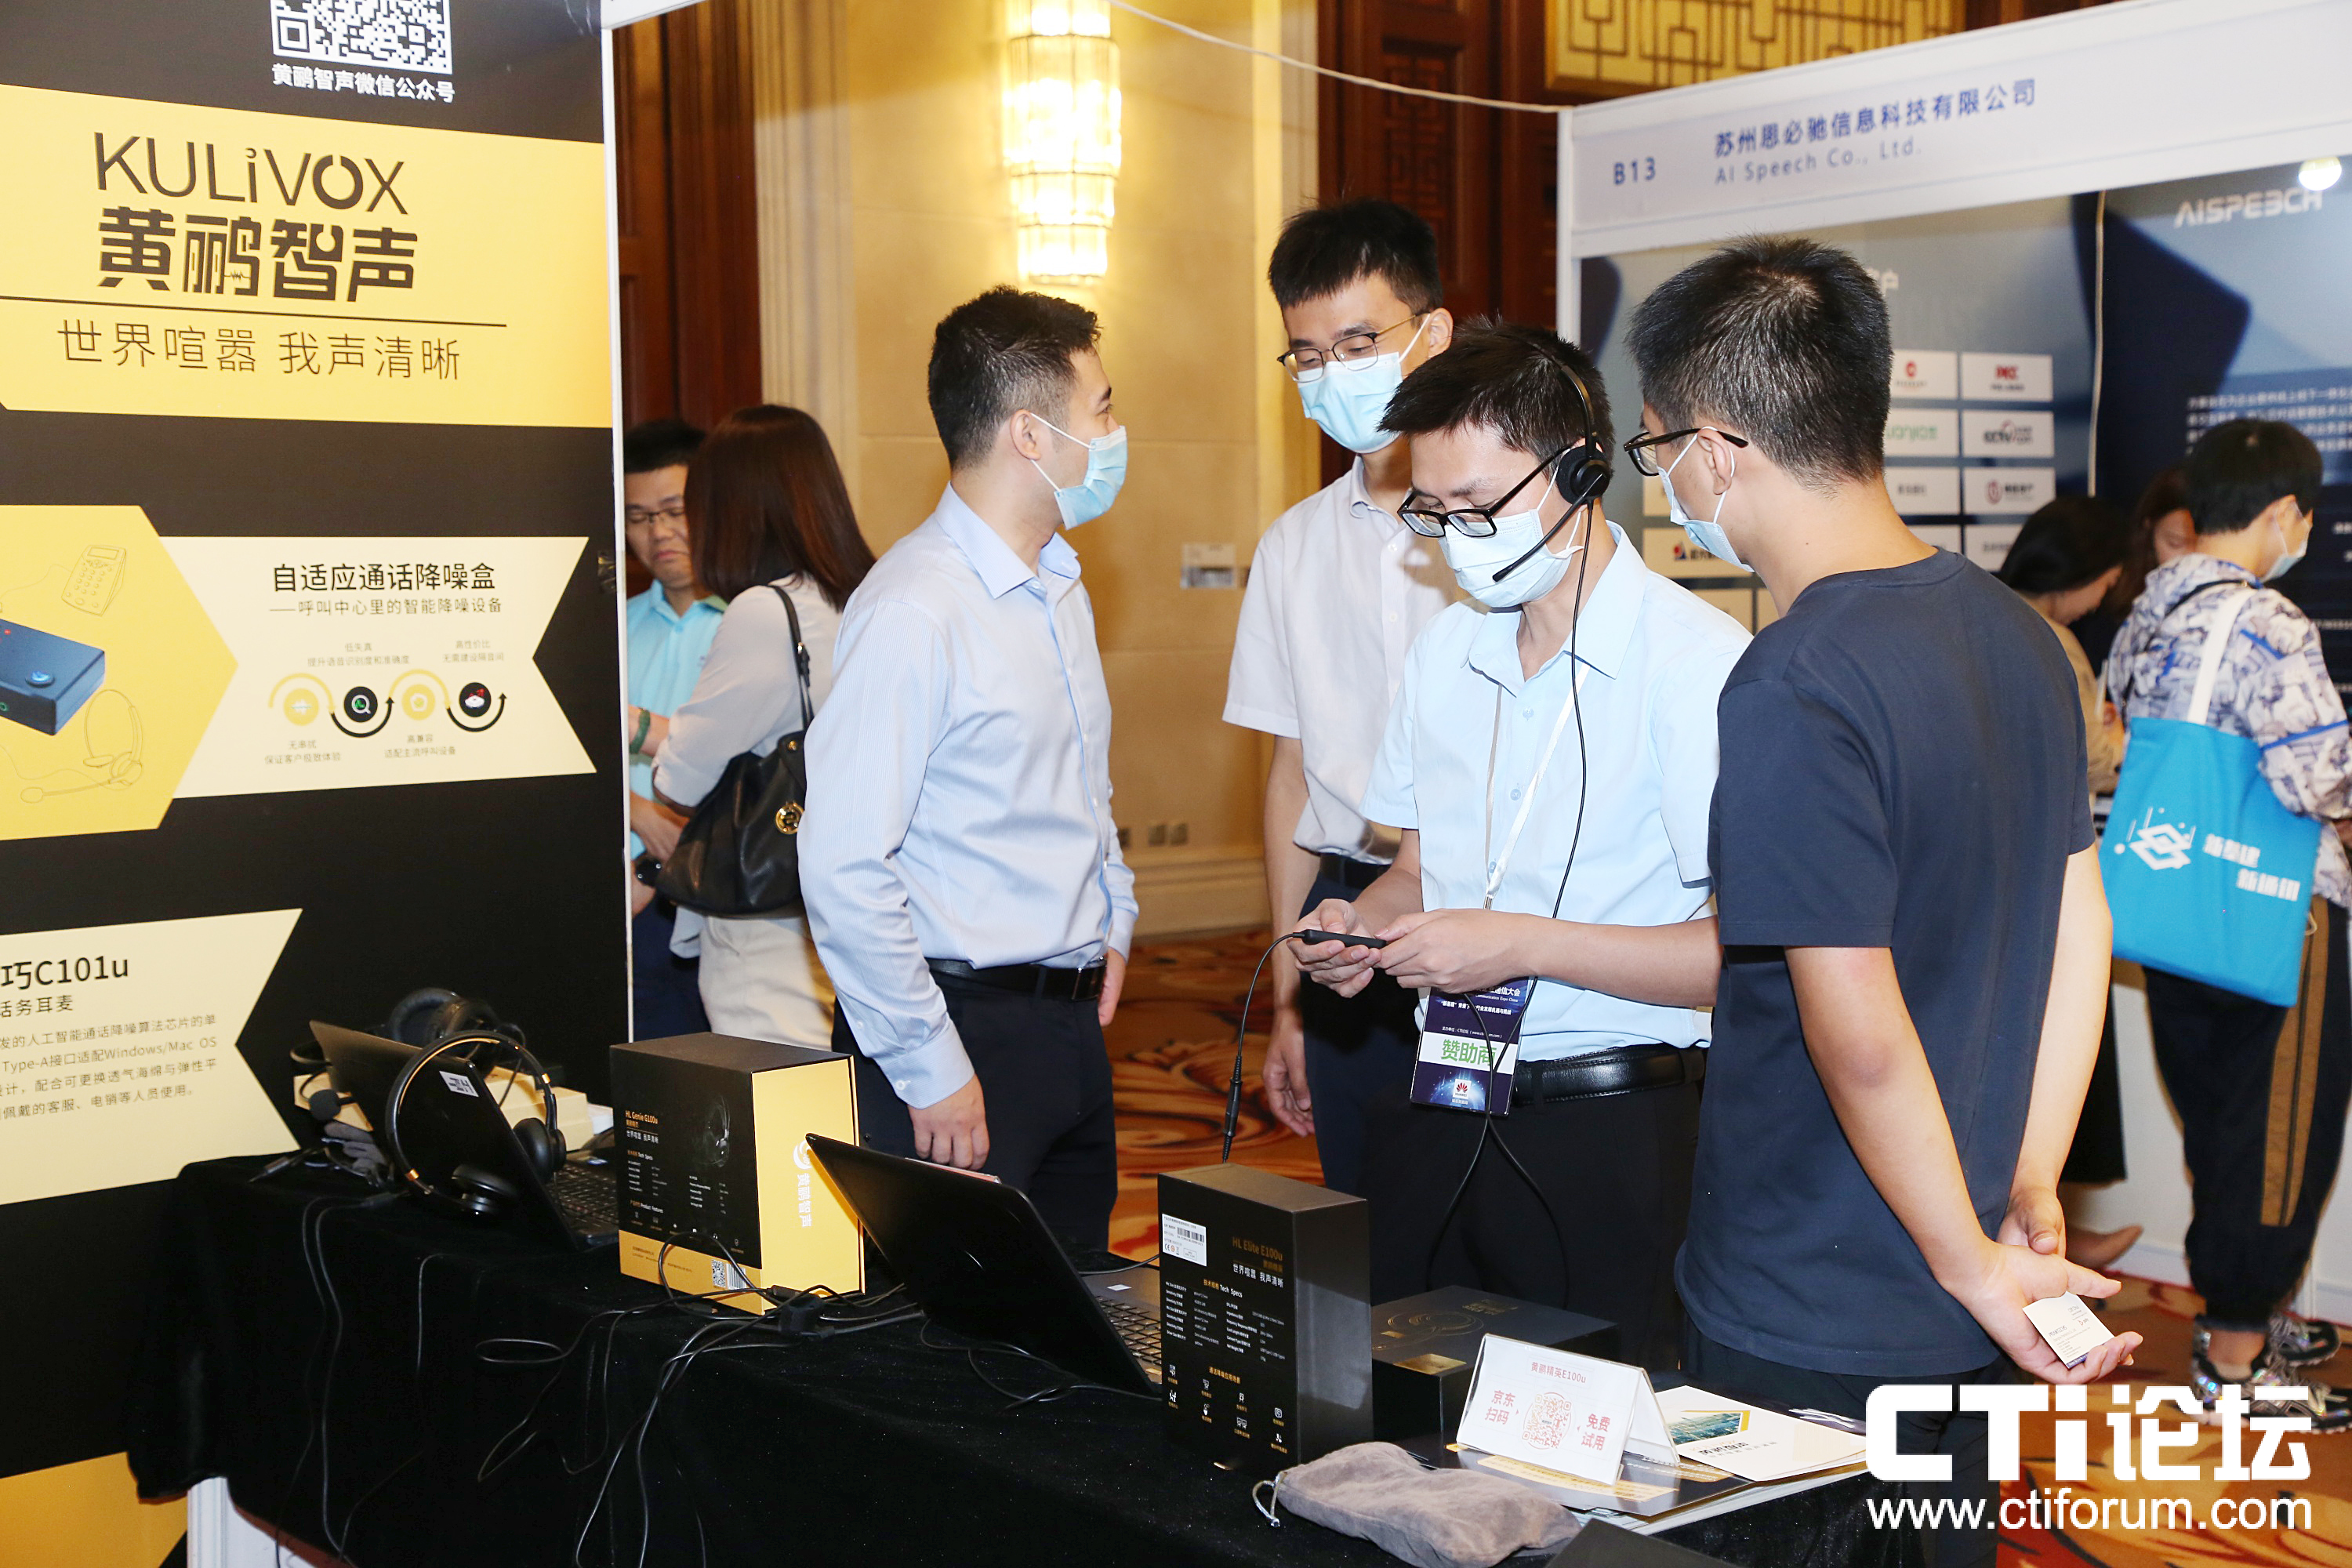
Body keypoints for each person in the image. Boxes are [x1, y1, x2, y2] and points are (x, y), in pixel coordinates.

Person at [1635, 237, 2136, 1566]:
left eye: (1658, 449)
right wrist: (2023, 1188)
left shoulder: (1794, 677)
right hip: (1968, 1270)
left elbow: (1854, 1026)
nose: (1665, 482)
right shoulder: (2023, 638)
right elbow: (2080, 926)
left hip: (1813, 1297)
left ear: (1718, 449)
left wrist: (1975, 1259)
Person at [1294, 322, 1744, 1367]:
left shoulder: (1697, 666)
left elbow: (1742, 956)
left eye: (1480, 505)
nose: (1457, 537)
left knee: (1601, 1430)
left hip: (1618, 1123)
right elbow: (1416, 871)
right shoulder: (1445, 649)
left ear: (1580, 472)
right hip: (1445, 1094)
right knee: (1410, 1405)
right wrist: (1364, 927)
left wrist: (1523, 945)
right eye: (1434, 512)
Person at [800, 287, 1138, 1250]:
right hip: (955, 1030)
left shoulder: (1058, 584)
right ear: (1031, 434)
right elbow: (843, 864)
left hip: (1067, 1028)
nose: (1115, 433)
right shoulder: (916, 606)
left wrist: (1112, 919)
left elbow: (1083, 787)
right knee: (942, 1322)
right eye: (1102, 408)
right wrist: (929, 1064)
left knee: (1078, 1306)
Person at [2107, 418, 2352, 1426]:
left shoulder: (2151, 609)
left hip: (2177, 905)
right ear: (2286, 511)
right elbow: (2319, 775)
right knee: (2280, 1136)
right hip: (2277, 913)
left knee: (2219, 1119)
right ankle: (2239, 1368)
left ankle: (2247, 1321)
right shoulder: (2269, 620)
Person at [1224, 198, 1457, 1193]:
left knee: (1484, 1214)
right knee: (1370, 1217)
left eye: (1359, 345)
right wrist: (1288, 998)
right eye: (1309, 356)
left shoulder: (1500, 534)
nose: (1334, 374)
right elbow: (1291, 776)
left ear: (1432, 333)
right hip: (1343, 918)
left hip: (1481, 911)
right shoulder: (1292, 546)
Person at [652, 405, 875, 1049]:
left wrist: (642, 729)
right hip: (865, 907)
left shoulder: (765, 612)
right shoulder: (870, 597)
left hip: (771, 919)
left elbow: (679, 779)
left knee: (783, 1094)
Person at [1997, 497, 2138, 1270]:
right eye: (2108, 581)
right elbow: (2094, 759)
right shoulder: (2054, 642)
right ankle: (2050, 1233)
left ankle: (2050, 1233)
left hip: (1994, 882)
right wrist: (2117, 732)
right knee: (2061, 1058)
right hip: (2054, 882)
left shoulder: (1980, 616)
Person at [621, 418, 721, 1040]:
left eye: (674, 510)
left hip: (728, 899)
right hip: (631, 904)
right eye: (638, 517)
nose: (658, 532)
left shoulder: (755, 619)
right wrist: (637, 812)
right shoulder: (610, 626)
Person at [2075, 463, 2190, 670]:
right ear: (2149, 527)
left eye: (2203, 546)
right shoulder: (2114, 603)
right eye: (2175, 543)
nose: (2189, 558)